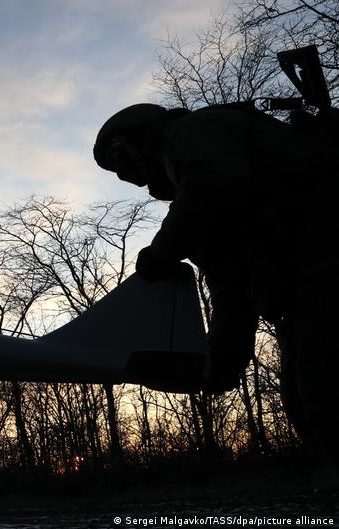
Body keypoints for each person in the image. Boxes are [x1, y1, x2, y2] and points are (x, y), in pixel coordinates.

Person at [93, 103, 339, 469]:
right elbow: (230, 290)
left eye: (126, 169)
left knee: (325, 391)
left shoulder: (195, 131)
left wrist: (161, 254)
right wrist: (222, 362)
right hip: (301, 298)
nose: (139, 183)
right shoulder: (199, 207)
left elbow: (211, 188)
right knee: (305, 405)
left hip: (327, 264)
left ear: (133, 144)